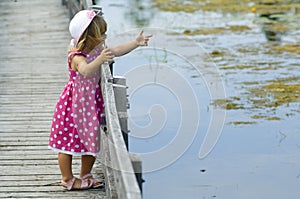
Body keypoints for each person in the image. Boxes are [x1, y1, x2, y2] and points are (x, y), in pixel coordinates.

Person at [48, 9, 152, 190]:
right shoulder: (77, 56)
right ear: (87, 37)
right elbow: (85, 70)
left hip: (90, 104)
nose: (105, 36)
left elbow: (116, 50)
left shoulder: (96, 49)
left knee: (91, 140)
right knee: (66, 143)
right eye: (101, 34)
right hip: (74, 105)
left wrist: (135, 43)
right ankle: (67, 178)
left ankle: (85, 174)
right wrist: (100, 59)